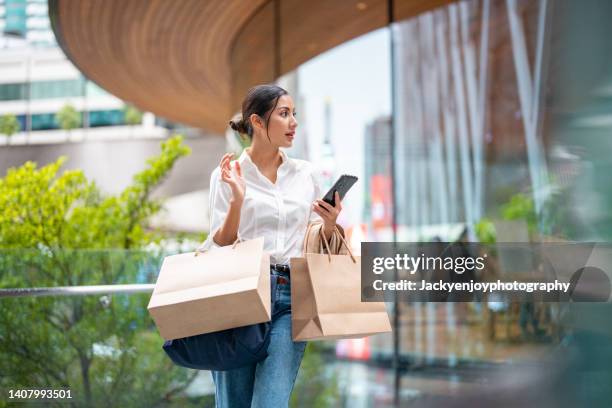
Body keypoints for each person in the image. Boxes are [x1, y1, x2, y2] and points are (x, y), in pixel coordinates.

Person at [198, 84, 344, 407]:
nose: (293, 122)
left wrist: (330, 223)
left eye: (294, 114)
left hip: (291, 297)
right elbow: (219, 247)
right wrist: (237, 200)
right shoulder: (227, 175)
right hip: (241, 296)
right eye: (284, 114)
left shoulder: (305, 174)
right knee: (233, 403)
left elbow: (314, 238)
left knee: (271, 403)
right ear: (258, 122)